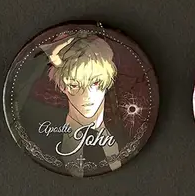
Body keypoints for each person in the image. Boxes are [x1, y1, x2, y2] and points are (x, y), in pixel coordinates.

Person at [17, 32, 129, 176]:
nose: (87, 95)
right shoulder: (40, 140)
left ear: (107, 81)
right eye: (74, 85)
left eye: (95, 82)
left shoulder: (123, 132)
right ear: (62, 86)